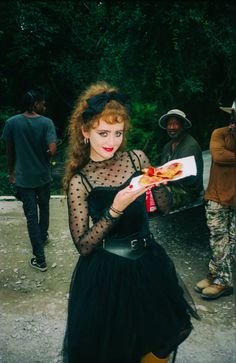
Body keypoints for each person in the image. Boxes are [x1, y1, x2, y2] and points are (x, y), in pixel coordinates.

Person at [62, 82, 197, 363]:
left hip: (148, 262)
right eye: (102, 133)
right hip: (107, 273)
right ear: (85, 132)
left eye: (118, 132)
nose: (111, 140)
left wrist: (157, 180)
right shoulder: (80, 181)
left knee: (174, 329)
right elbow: (84, 246)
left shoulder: (137, 158)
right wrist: (115, 209)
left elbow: (166, 208)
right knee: (115, 348)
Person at [1, 88, 57, 272]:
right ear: (35, 104)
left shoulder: (12, 123)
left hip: (24, 179)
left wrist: (11, 173)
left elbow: (9, 151)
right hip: (43, 176)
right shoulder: (47, 123)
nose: (45, 105)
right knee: (44, 208)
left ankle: (40, 259)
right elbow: (52, 150)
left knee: (31, 217)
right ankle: (43, 236)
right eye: (42, 102)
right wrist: (48, 152)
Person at [195, 100, 236, 300]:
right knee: (218, 237)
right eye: (233, 116)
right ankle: (220, 279)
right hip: (217, 196)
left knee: (231, 240)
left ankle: (219, 276)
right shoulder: (219, 133)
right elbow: (218, 155)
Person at [153, 109, 204, 215]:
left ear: (183, 125)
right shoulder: (167, 146)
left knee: (156, 194)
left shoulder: (190, 145)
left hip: (187, 191)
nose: (171, 127)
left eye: (175, 124)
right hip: (172, 185)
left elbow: (181, 175)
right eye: (169, 124)